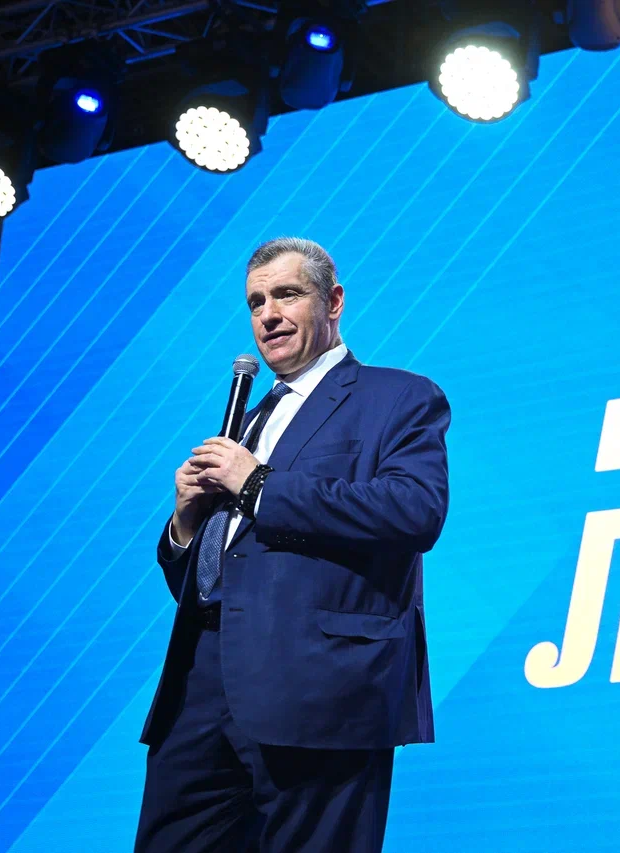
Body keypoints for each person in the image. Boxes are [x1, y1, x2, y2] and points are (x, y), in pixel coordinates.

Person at [135, 237, 450, 853]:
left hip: (321, 684)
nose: (268, 315)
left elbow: (415, 511)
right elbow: (229, 570)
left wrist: (257, 484)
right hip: (201, 683)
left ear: (333, 301)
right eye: (256, 302)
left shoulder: (397, 397)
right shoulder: (249, 419)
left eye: (286, 295)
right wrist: (186, 525)